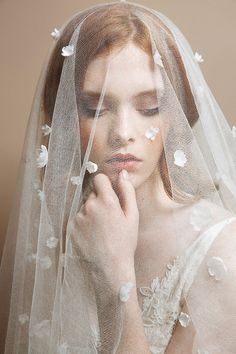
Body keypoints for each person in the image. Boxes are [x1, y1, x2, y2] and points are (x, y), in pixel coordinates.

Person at [1, 1, 236, 353]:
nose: (122, 133)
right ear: (65, 115)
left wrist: (116, 280)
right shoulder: (67, 227)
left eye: (149, 107)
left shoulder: (221, 251)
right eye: (95, 108)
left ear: (173, 115)